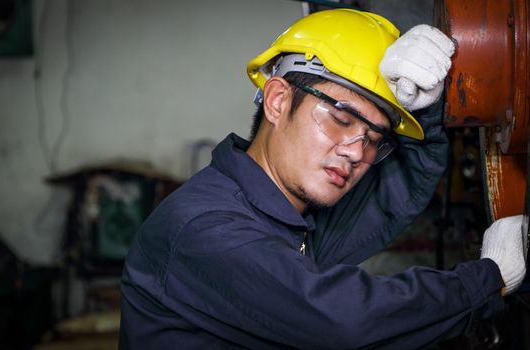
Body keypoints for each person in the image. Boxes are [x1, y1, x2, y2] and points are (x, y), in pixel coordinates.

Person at [119, 8, 526, 349]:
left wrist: (425, 105)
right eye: (341, 118)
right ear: (278, 101)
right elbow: (347, 323)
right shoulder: (203, 228)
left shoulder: (287, 217)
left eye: (374, 138)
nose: (356, 151)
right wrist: (489, 278)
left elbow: (399, 189)